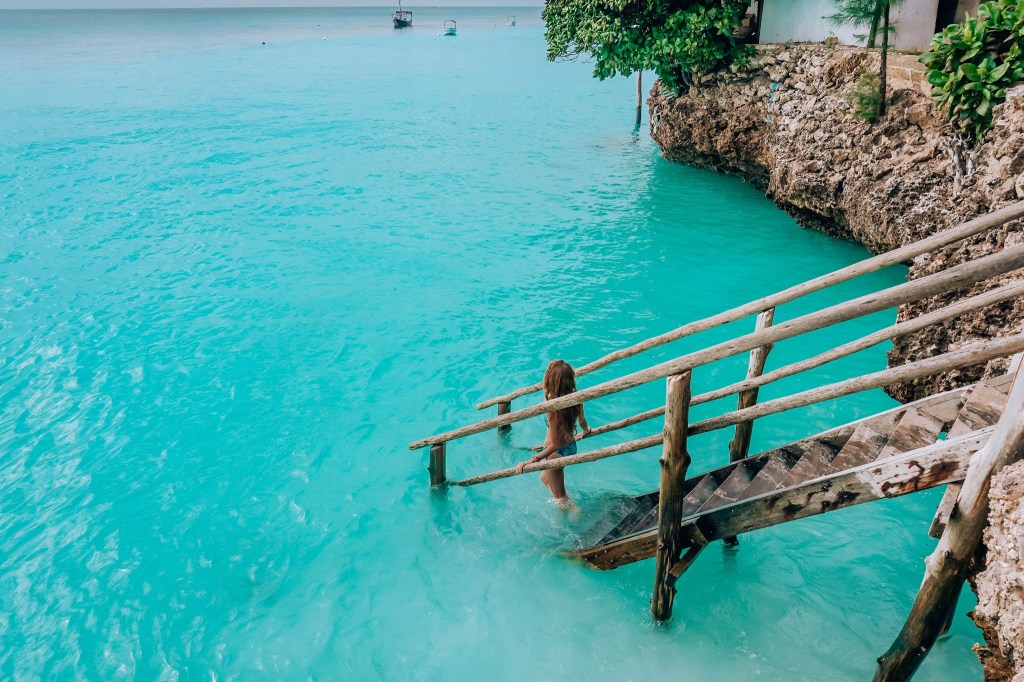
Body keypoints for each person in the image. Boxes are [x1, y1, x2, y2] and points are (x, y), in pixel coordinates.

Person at [515, 360, 591, 504]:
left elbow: (555, 444)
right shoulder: (576, 398)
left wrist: (532, 460)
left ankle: (574, 515)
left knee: (560, 500)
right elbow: (582, 420)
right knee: (544, 478)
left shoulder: (553, 409)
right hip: (570, 446)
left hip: (555, 453)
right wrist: (586, 431)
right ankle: (569, 505)